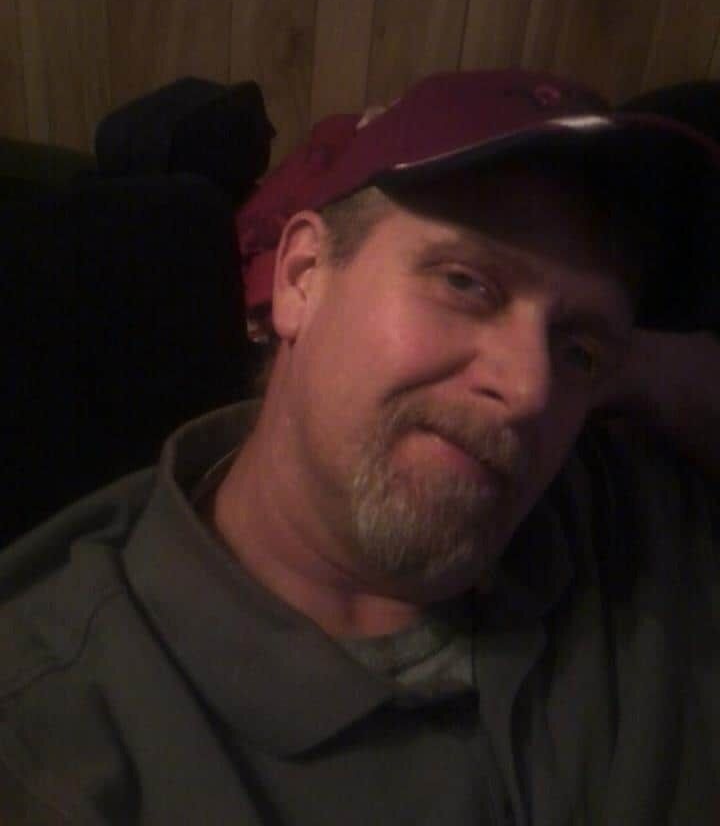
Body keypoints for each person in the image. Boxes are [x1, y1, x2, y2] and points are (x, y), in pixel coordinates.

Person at [0, 69, 717, 825]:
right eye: (467, 283)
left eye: (577, 349)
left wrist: (646, 371)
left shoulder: (620, 506)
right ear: (302, 277)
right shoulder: (57, 745)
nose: (531, 388)